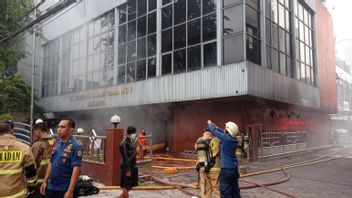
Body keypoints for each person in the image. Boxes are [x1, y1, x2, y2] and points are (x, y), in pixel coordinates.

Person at [40, 118, 82, 198]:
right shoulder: (57, 142)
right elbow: (51, 162)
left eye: (62, 127)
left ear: (70, 130)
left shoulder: (76, 146)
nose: (59, 129)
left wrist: (70, 191)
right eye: (58, 127)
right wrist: (45, 181)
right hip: (51, 187)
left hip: (64, 189)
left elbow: (76, 170)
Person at [0, 120, 38, 198]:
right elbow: (31, 173)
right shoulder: (24, 148)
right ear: (12, 131)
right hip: (17, 194)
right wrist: (32, 188)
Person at [207, 120, 241, 198]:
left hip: (226, 169)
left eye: (226, 128)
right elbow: (224, 132)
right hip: (234, 169)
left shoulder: (226, 139)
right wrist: (217, 127)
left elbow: (214, 132)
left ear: (228, 130)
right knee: (235, 190)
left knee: (225, 191)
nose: (224, 129)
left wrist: (209, 124)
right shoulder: (234, 139)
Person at [30, 122, 56, 198]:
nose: (34, 134)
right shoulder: (55, 141)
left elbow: (31, 164)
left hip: (40, 182)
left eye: (34, 132)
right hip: (54, 180)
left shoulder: (37, 145)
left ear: (38, 131)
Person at [194, 128, 221, 198]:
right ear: (211, 132)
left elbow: (197, 150)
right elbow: (219, 150)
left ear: (204, 131)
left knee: (206, 190)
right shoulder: (215, 140)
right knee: (217, 189)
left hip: (202, 169)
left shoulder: (198, 141)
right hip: (214, 169)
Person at [119, 126, 138, 198]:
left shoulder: (131, 142)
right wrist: (128, 169)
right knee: (126, 186)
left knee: (130, 186)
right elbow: (125, 157)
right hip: (126, 167)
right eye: (135, 133)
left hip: (132, 166)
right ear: (131, 133)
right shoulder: (124, 143)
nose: (136, 135)